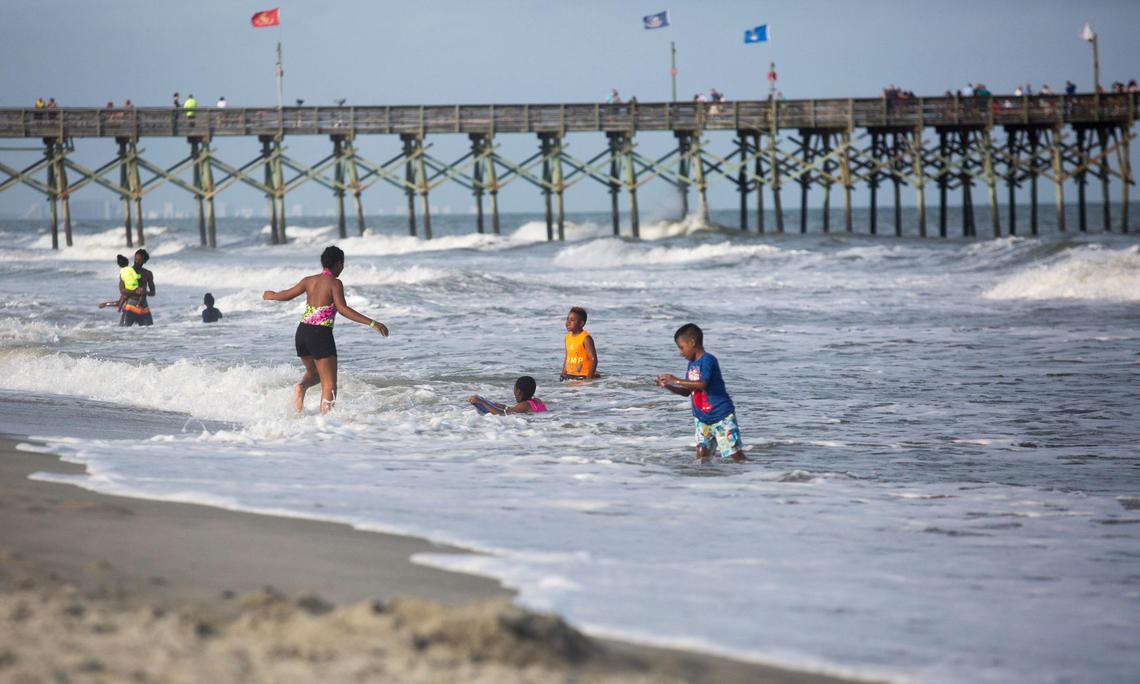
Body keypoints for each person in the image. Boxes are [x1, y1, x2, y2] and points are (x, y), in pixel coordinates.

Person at [262, 245, 389, 414]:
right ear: (337, 264)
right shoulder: (335, 283)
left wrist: (271, 295)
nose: (342, 268)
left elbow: (286, 295)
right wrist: (372, 323)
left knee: (314, 373)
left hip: (302, 334)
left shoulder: (308, 280)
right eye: (342, 265)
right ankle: (326, 423)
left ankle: (301, 388)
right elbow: (343, 309)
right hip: (320, 334)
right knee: (329, 384)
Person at [654, 323, 746, 464]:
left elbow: (703, 384)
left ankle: (758, 477)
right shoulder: (692, 364)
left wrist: (676, 380)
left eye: (681, 347)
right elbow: (687, 392)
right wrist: (668, 385)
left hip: (721, 416)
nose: (680, 352)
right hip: (702, 419)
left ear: (692, 342)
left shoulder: (708, 360)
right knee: (702, 458)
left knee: (736, 456)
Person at [467, 376, 547, 415]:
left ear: (518, 391)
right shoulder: (537, 400)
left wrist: (481, 402)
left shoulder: (524, 405)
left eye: (514, 389)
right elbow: (517, 410)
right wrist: (505, 407)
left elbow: (502, 414)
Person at [561, 306, 598, 381]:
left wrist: (589, 379)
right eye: (567, 319)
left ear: (581, 323)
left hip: (583, 376)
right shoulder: (567, 337)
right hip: (570, 375)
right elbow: (567, 357)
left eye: (572, 320)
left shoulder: (586, 338)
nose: (568, 322)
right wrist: (563, 374)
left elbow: (593, 359)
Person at [120, 248, 155, 326]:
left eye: (139, 260)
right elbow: (122, 290)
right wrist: (135, 291)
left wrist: (146, 292)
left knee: (150, 332)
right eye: (135, 259)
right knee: (124, 334)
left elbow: (153, 293)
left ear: (144, 261)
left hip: (143, 307)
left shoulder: (148, 273)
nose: (136, 262)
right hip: (130, 306)